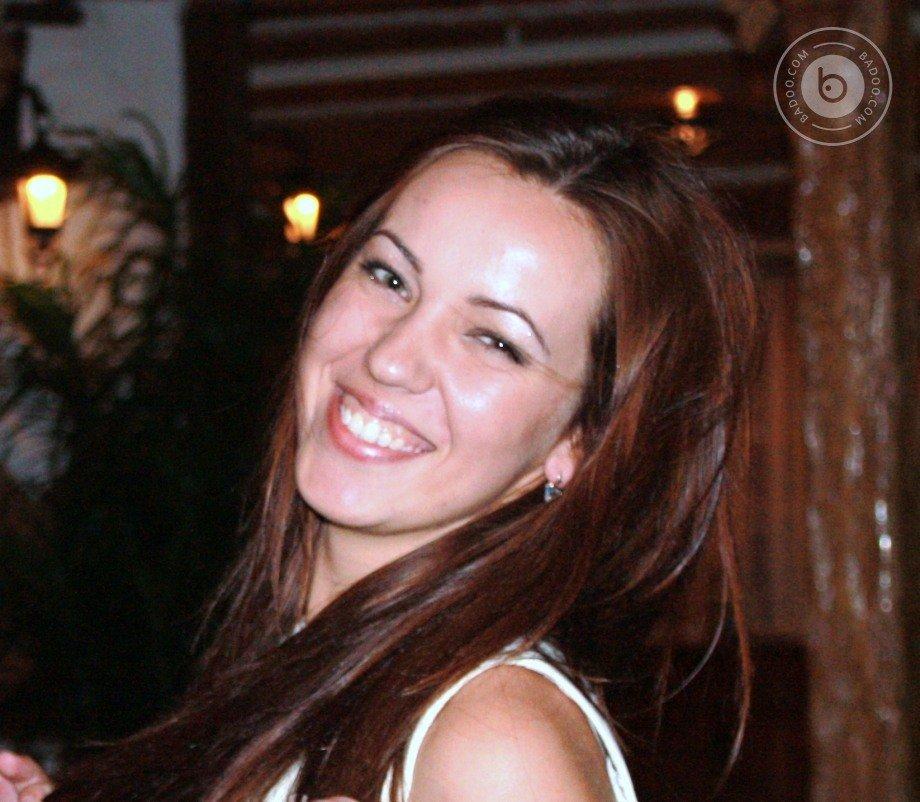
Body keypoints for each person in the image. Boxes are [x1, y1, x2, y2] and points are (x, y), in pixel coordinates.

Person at [0, 91, 765, 801]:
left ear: (580, 443)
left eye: (495, 341)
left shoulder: (495, 744)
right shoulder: (314, 654)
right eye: (390, 277)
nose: (391, 357)